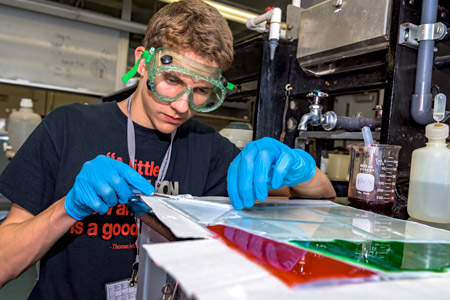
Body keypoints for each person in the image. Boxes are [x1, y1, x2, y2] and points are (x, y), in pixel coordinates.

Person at [0, 0, 335, 298]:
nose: (181, 105)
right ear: (143, 63)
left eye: (201, 90)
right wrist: (68, 207)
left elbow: (320, 201)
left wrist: (301, 167)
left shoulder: (208, 149)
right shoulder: (67, 127)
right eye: (172, 81)